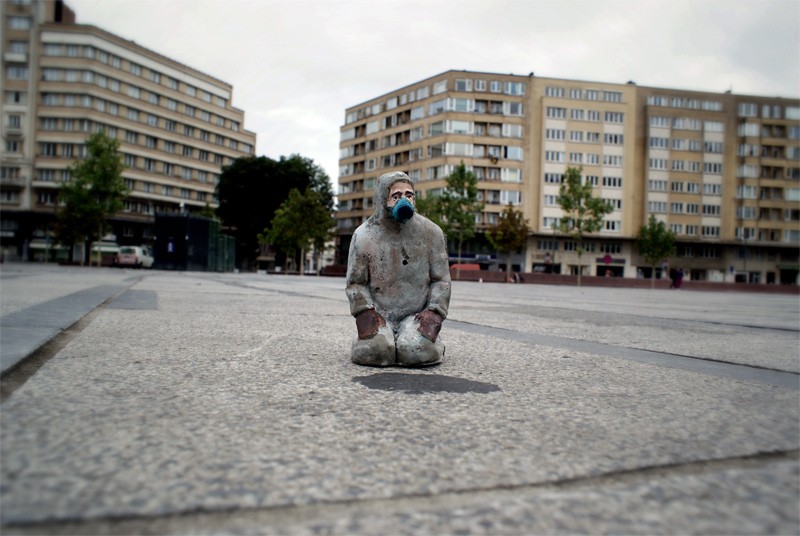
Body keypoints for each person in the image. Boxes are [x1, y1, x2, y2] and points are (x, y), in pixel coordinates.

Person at [346, 171, 451, 367]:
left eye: (409, 195)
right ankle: (371, 341)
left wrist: (434, 312)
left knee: (416, 351)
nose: (404, 200)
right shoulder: (363, 236)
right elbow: (355, 284)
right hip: (379, 314)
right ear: (382, 198)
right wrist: (366, 314)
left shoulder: (432, 233)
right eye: (396, 196)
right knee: (376, 352)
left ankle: (431, 344)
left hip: (416, 315)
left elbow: (441, 280)